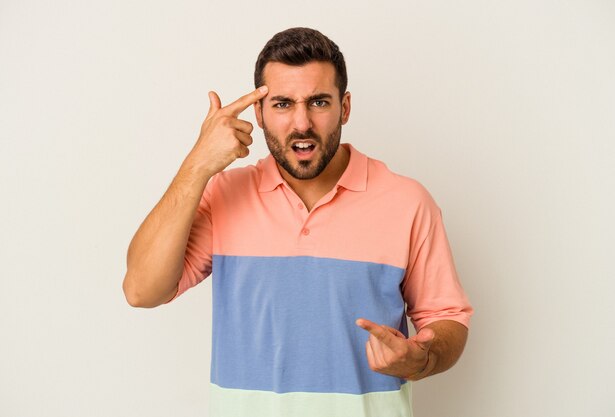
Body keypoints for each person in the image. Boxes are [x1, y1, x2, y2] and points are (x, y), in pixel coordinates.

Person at [123, 27, 473, 417]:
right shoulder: (223, 194)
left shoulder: (408, 202)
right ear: (258, 113)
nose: (302, 123)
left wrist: (420, 358)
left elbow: (447, 320)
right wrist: (197, 165)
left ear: (345, 107)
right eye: (283, 104)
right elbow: (141, 290)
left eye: (319, 102)